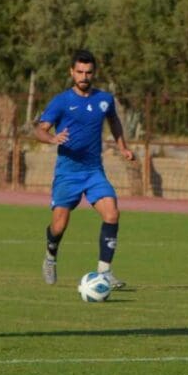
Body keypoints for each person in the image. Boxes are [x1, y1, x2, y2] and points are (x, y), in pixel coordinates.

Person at [35, 49, 135, 288]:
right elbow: (40, 129)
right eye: (79, 72)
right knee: (59, 226)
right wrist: (52, 139)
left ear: (94, 73)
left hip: (93, 171)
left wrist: (123, 147)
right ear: (72, 72)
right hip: (67, 173)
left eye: (88, 72)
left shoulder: (104, 99)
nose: (84, 76)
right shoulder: (61, 101)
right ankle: (50, 256)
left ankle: (105, 272)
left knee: (112, 213)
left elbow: (114, 121)